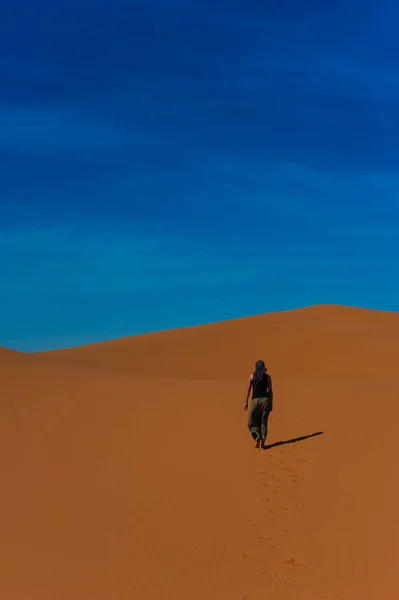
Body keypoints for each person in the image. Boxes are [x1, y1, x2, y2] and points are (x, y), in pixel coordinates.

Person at [244, 360, 273, 448]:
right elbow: (270, 391)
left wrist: (246, 402)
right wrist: (271, 403)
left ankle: (257, 437)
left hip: (255, 400)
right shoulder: (267, 377)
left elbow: (248, 390)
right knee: (263, 421)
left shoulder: (252, 376)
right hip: (266, 400)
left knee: (251, 422)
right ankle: (263, 440)